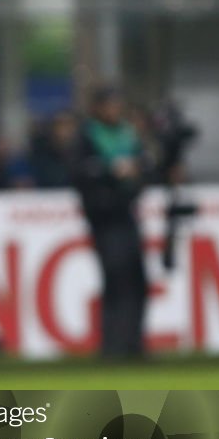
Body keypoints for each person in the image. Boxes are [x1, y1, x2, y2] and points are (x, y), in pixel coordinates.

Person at [73, 86, 151, 358]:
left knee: (137, 279)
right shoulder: (87, 136)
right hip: (104, 217)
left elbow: (146, 167)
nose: (115, 110)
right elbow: (79, 172)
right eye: (111, 105)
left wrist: (137, 172)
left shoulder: (128, 134)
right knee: (115, 278)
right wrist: (111, 171)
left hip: (127, 213)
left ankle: (134, 343)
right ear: (98, 107)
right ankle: (113, 345)